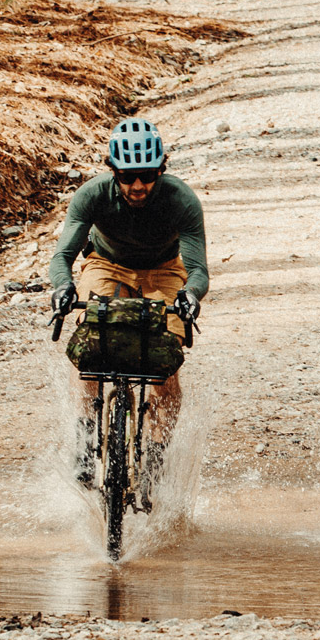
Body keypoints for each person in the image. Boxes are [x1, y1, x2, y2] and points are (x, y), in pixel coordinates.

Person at [48, 117, 209, 490]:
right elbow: (62, 257)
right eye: (127, 176)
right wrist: (63, 287)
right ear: (113, 172)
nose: (138, 185)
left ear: (161, 170)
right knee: (90, 344)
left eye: (148, 175)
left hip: (165, 269)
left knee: (165, 361)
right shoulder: (92, 195)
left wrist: (190, 296)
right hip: (107, 264)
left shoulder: (180, 200)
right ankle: (86, 438)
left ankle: (155, 453)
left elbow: (198, 269)